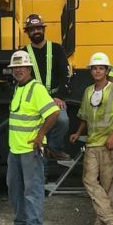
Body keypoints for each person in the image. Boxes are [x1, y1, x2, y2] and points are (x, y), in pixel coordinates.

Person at [69, 52, 113, 225]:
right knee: (89, 181)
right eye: (94, 68)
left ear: (106, 70)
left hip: (109, 144)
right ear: (91, 71)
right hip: (92, 143)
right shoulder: (88, 91)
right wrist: (78, 133)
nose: (97, 71)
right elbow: (85, 117)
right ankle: (112, 220)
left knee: (108, 186)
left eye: (101, 68)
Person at [1, 50, 60, 225]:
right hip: (15, 149)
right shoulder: (18, 88)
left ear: (29, 69)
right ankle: (20, 223)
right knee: (15, 188)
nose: (18, 70)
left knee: (32, 190)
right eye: (15, 67)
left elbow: (53, 113)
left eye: (21, 67)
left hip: (30, 150)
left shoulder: (37, 89)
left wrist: (40, 135)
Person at [22, 13, 71, 160]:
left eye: (38, 28)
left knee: (63, 120)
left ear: (43, 29)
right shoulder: (23, 53)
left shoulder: (57, 49)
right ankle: (33, 151)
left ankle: (55, 149)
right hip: (34, 100)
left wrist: (60, 96)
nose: (36, 31)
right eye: (32, 29)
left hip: (54, 98)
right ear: (27, 32)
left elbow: (65, 74)